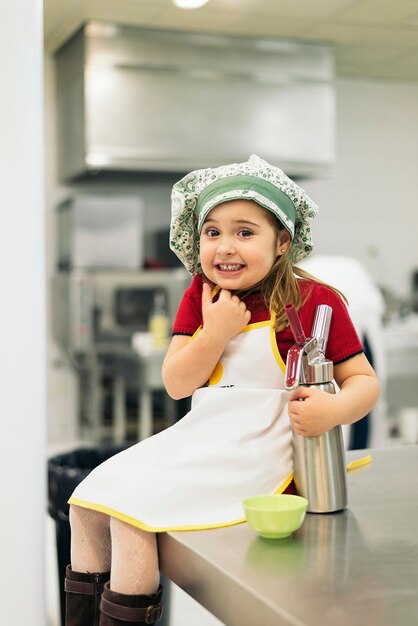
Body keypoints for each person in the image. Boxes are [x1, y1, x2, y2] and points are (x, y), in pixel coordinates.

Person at [65, 155, 380, 626]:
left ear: (283, 243)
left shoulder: (315, 301)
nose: (225, 247)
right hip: (205, 435)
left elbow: (364, 383)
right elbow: (176, 383)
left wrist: (333, 410)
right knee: (86, 504)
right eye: (212, 232)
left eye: (245, 232)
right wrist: (214, 332)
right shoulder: (201, 294)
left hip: (263, 448)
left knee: (129, 517)